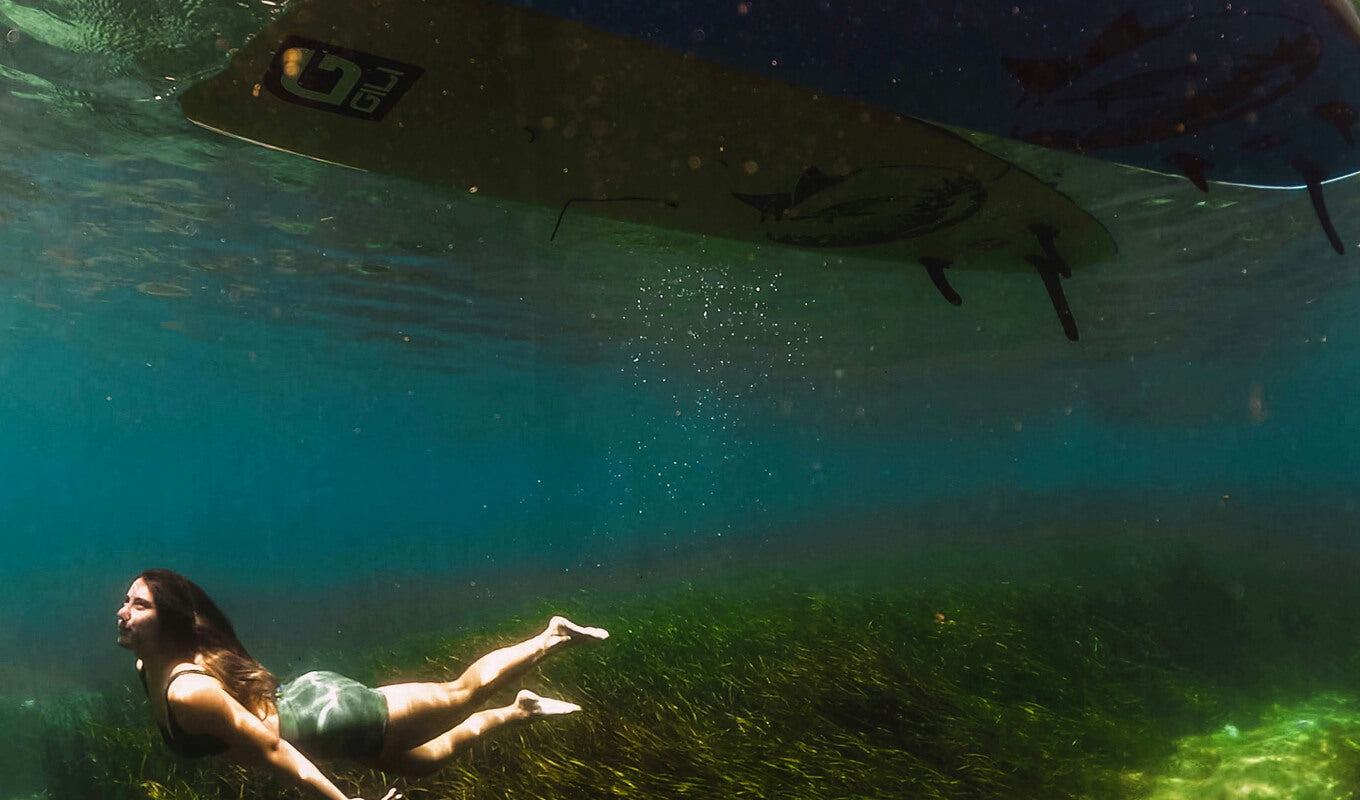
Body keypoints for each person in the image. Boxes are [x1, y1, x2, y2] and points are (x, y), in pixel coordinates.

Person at [116, 569, 609, 800]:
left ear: (170, 622)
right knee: (422, 763)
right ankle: (520, 709)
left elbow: (270, 749)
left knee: (460, 693)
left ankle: (552, 636)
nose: (123, 612)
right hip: (312, 707)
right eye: (127, 601)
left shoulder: (186, 692)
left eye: (140, 605)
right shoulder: (149, 669)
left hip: (335, 719)